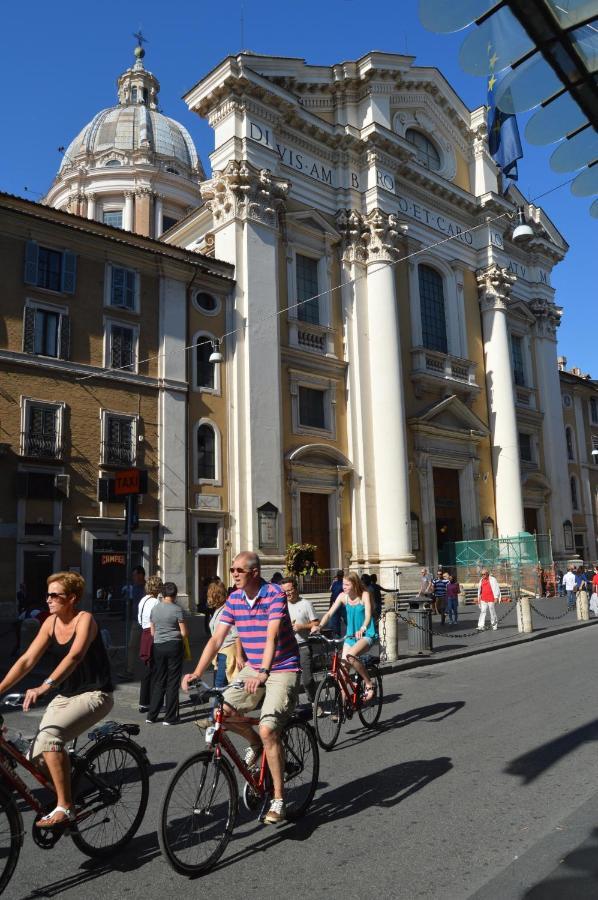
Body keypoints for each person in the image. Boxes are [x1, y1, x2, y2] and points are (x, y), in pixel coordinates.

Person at [182, 551, 300, 826]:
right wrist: (197, 673)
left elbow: (271, 637)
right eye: (232, 569)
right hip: (254, 668)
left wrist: (263, 672)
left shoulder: (273, 594)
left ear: (255, 573)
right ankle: (254, 742)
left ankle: (279, 799)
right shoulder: (234, 599)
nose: (233, 574)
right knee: (219, 711)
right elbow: (216, 640)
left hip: (281, 667)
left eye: (239, 570)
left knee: (269, 728)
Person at [0, 571, 114, 829]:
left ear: (72, 598)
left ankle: (66, 805)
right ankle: (76, 786)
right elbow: (27, 660)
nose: (48, 599)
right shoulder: (50, 623)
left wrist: (44, 686)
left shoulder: (85, 619)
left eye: (55, 595)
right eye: (47, 594)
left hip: (95, 694)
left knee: (51, 740)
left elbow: (74, 656)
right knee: (36, 758)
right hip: (67, 695)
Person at [313, 571, 377, 700]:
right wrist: (320, 626)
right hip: (350, 636)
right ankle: (343, 706)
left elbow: (369, 615)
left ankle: (369, 684)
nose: (344, 587)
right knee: (342, 673)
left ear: (354, 584)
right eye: (343, 584)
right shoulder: (343, 596)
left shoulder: (364, 595)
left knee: (351, 656)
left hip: (366, 634)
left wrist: (363, 628)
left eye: (347, 584)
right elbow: (329, 613)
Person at [146, 582, 188, 726]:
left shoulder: (155, 609)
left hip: (158, 645)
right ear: (175, 595)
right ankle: (170, 717)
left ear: (162, 594)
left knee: (159, 680)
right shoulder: (177, 609)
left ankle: (152, 715)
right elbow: (184, 633)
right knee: (172, 681)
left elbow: (152, 631)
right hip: (174, 645)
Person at [281, 576, 319, 703]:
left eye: (290, 590)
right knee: (290, 681)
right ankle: (292, 706)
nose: (288, 593)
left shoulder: (306, 604)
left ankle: (314, 702)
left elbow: (316, 623)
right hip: (287, 648)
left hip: (303, 646)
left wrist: (301, 626)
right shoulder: (282, 605)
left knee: (307, 680)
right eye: (285, 591)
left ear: (296, 588)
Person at [137, 575, 161, 714]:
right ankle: (153, 701)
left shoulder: (143, 600)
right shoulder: (156, 602)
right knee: (156, 669)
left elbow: (140, 619)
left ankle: (143, 702)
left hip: (144, 633)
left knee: (146, 669)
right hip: (153, 634)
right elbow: (158, 620)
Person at [121, 566, 146, 679]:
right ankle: (130, 670)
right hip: (136, 621)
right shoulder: (134, 587)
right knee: (132, 646)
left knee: (149, 646)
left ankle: (152, 668)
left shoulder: (147, 587)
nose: (133, 577)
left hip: (147, 622)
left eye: (135, 575)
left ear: (141, 575)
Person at [327, 570, 346, 637]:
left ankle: (339, 634)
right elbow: (332, 594)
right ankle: (338, 635)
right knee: (336, 621)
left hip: (341, 604)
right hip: (338, 605)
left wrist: (330, 605)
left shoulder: (342, 584)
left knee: (342, 620)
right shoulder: (336, 583)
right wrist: (330, 605)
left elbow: (332, 595)